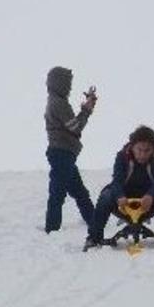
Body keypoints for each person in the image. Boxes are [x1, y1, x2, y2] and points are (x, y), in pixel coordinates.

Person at [84, 126, 154, 250]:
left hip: (147, 205)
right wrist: (120, 196)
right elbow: (116, 181)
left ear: (153, 148)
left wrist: (150, 195)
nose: (142, 154)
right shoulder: (122, 157)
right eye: (139, 150)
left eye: (147, 150)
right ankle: (94, 238)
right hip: (123, 205)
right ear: (132, 147)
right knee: (106, 196)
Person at [44, 66, 96, 233]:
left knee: (79, 191)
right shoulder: (59, 103)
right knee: (58, 194)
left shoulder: (55, 101)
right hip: (62, 154)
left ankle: (95, 220)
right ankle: (51, 230)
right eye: (67, 83)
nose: (70, 87)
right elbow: (75, 127)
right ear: (59, 83)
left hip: (63, 154)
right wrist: (86, 110)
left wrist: (86, 109)